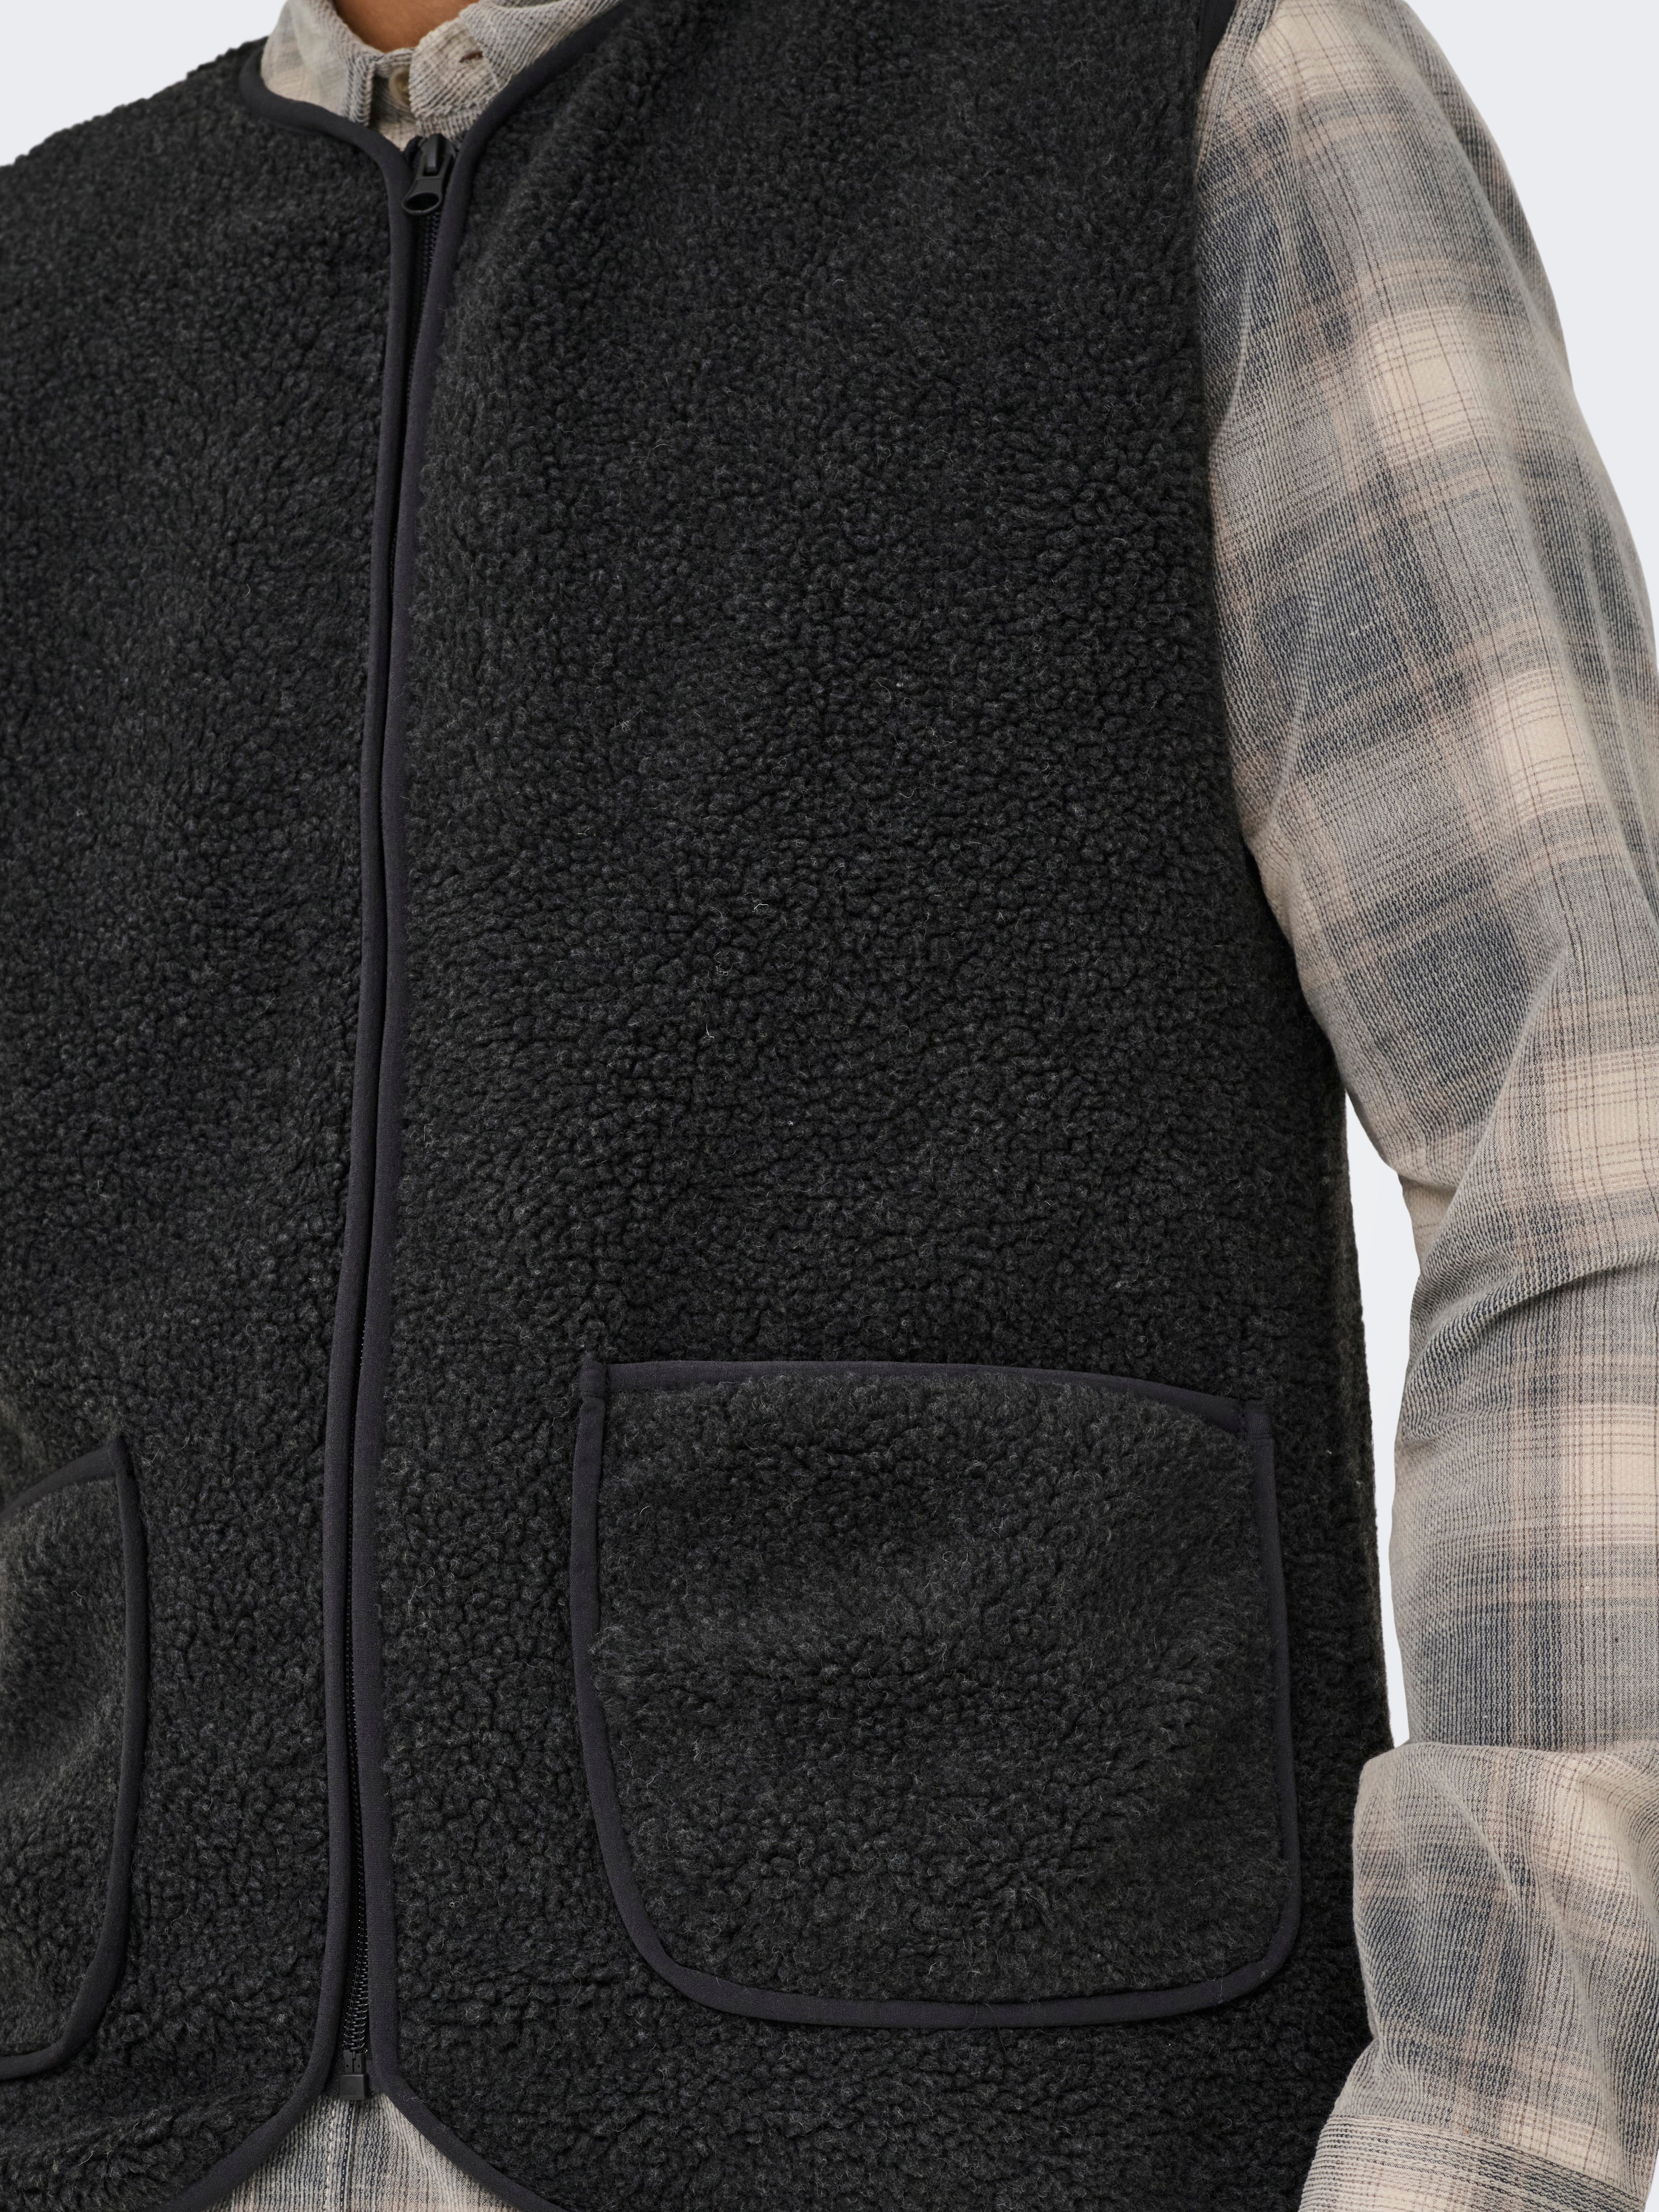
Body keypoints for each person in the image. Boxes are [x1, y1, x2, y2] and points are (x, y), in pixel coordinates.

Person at [0, 0, 1654, 2203]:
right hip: (113, 2108)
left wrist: (1498, 2127)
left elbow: (1584, 1153)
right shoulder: (52, 289)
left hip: (991, 2099)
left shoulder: (1177, 85)